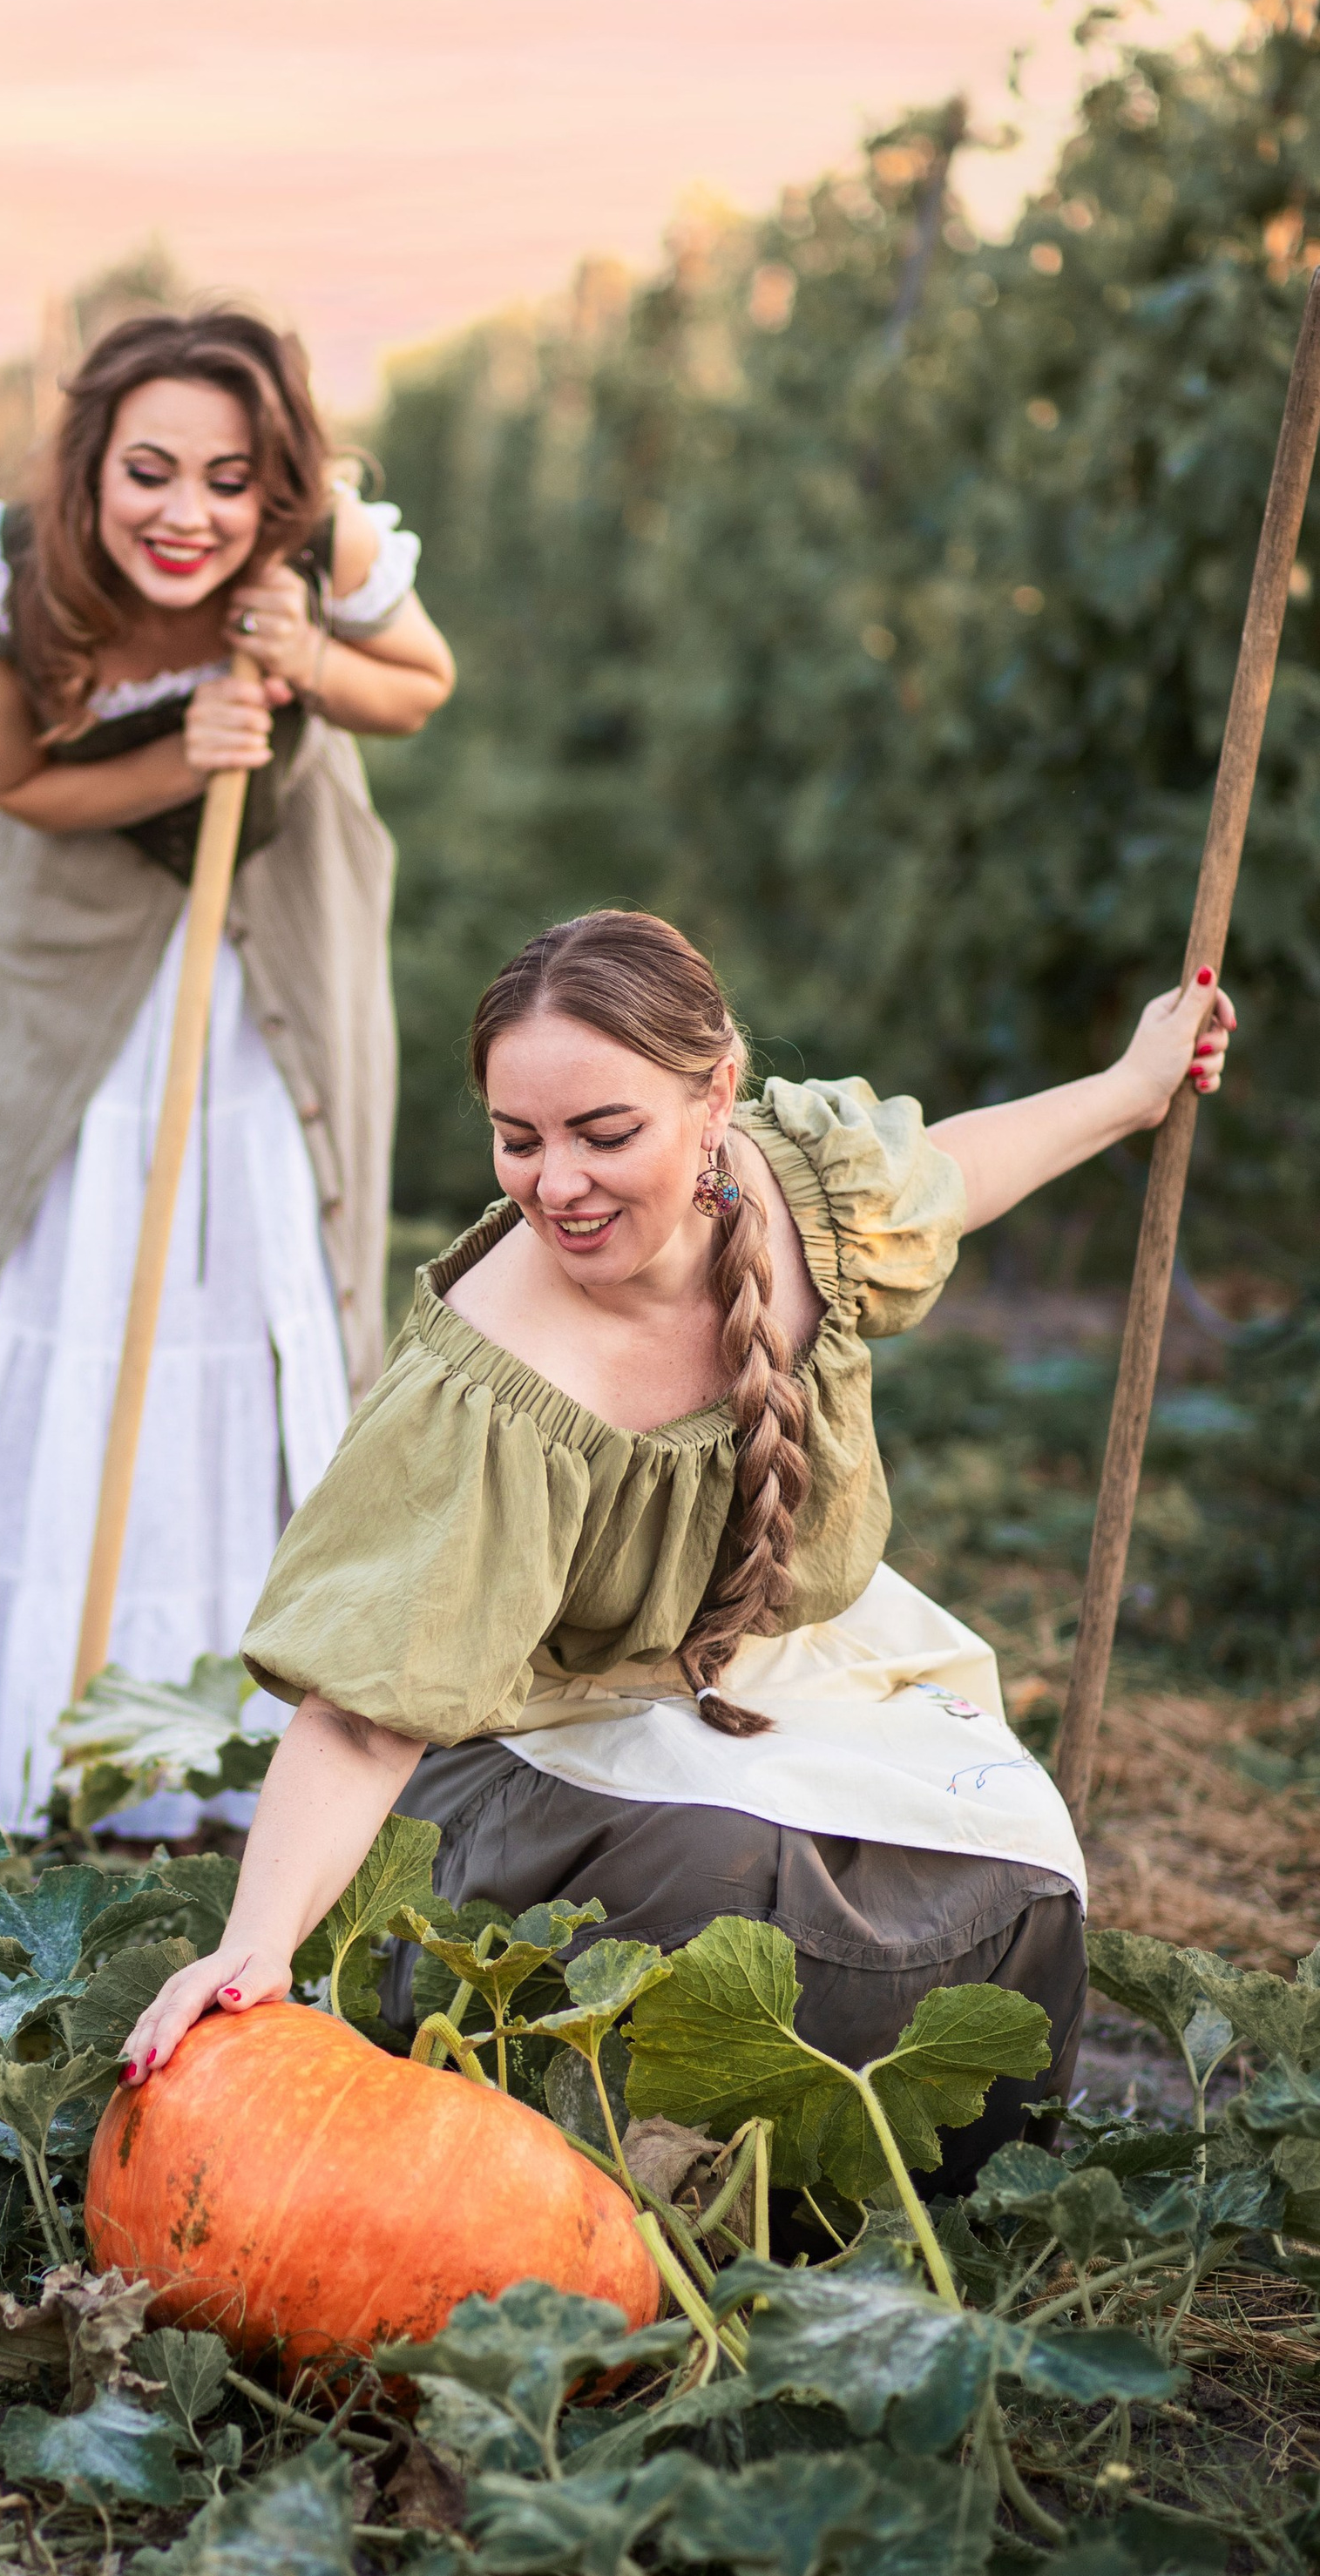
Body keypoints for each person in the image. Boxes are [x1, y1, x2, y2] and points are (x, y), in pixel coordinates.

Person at [118, 909, 1237, 2185]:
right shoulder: (496, 1388)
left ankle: (924, 2186)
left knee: (1009, 1870)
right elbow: (368, 1713)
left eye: (605, 1134)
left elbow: (957, 1175)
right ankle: (642, 2188)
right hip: (522, 1755)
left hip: (765, 1668)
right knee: (740, 1896)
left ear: (717, 1099)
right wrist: (260, 1940)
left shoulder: (802, 1196)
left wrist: (1129, 1091)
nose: (557, 1186)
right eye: (517, 1140)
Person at [0, 308, 454, 1829]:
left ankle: (234, 1734)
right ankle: (17, 1717)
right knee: (45, 1251)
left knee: (249, 1254)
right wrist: (186, 746)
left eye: (230, 478)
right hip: (68, 945)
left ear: (278, 488)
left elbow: (421, 684)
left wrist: (305, 661)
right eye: (149, 471)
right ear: (89, 467)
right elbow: (18, 781)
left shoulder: (321, 552)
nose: (186, 513)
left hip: (271, 958)